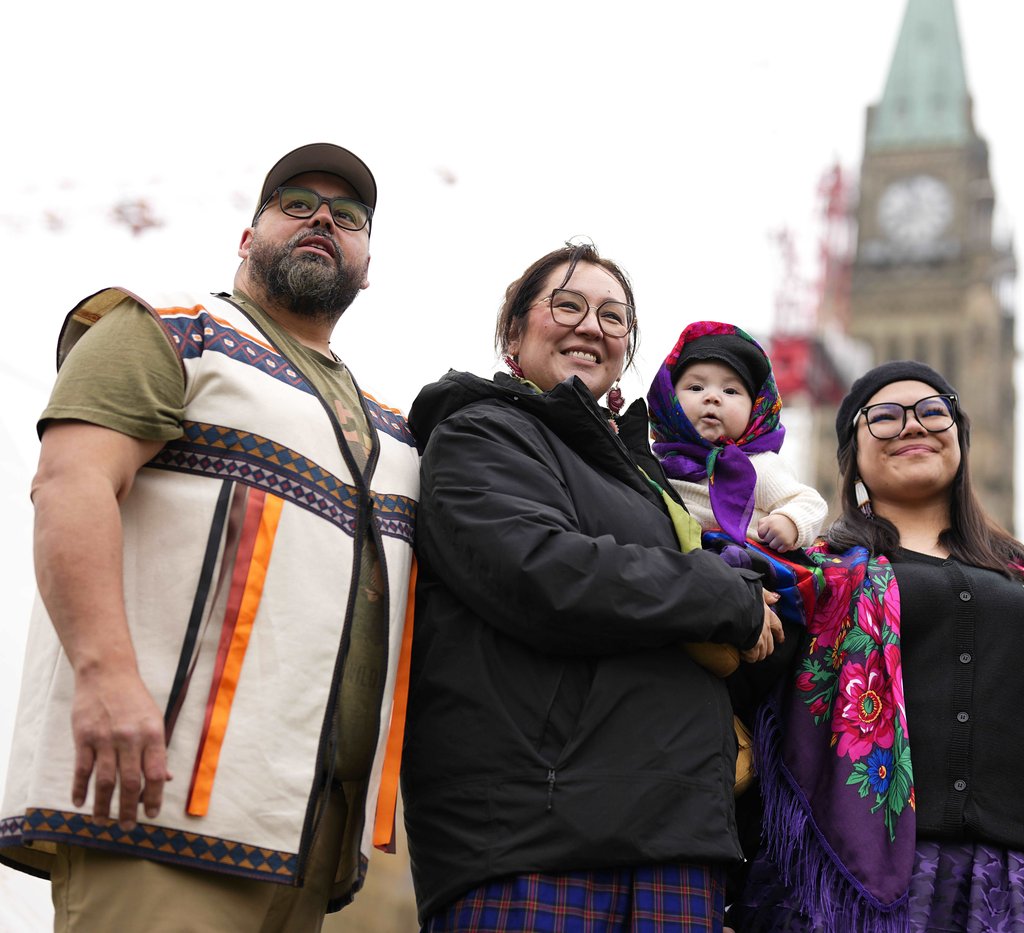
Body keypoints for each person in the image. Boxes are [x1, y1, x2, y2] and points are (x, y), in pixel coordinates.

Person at [0, 144, 420, 932]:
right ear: (247, 236)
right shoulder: (169, 328)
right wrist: (104, 675)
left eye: (348, 216)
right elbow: (70, 483)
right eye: (295, 203)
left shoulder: (396, 431)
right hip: (152, 798)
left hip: (308, 836)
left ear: (367, 267)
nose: (323, 218)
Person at [402, 242, 785, 932]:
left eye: (613, 317)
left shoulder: (641, 477)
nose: (591, 326)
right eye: (568, 305)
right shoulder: (481, 432)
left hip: (676, 841)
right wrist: (726, 596)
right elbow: (544, 573)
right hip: (539, 840)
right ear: (513, 332)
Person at [731, 361, 1024, 933]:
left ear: (961, 440)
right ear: (853, 456)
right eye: (885, 417)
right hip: (851, 883)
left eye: (934, 412)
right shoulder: (810, 575)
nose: (913, 425)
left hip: (1016, 882)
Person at [647, 321, 827, 554]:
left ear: (755, 410)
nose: (712, 397)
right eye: (696, 388)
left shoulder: (758, 467)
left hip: (754, 567)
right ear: (667, 399)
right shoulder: (654, 467)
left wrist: (790, 522)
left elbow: (810, 503)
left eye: (730, 391)